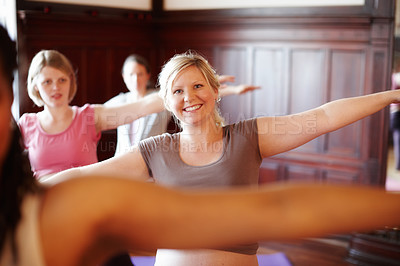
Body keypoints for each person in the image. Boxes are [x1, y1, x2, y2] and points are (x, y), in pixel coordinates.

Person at [45, 51, 400, 266]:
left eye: (198, 86)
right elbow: (87, 175)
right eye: (178, 91)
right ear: (168, 102)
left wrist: (390, 96)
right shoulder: (154, 151)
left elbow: (321, 118)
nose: (189, 97)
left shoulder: (249, 137)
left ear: (215, 91)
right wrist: (28, 188)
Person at [17, 50, 165, 181]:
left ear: (70, 81)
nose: (56, 87)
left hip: (87, 203)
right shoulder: (26, 124)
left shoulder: (89, 117)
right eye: (47, 82)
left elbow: (141, 106)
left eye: (62, 80)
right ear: (35, 85)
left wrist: (179, 91)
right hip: (44, 205)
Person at [105, 53, 260, 156]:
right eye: (131, 75)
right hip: (124, 167)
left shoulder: (160, 98)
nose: (135, 79)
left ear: (147, 75)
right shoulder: (120, 101)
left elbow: (196, 96)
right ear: (124, 77)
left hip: (152, 164)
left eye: (140, 74)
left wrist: (233, 90)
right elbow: (96, 114)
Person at [390, 54, 400, 170]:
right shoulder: (396, 77)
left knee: (398, 139)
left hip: (394, 113)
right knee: (398, 139)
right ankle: (398, 165)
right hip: (396, 113)